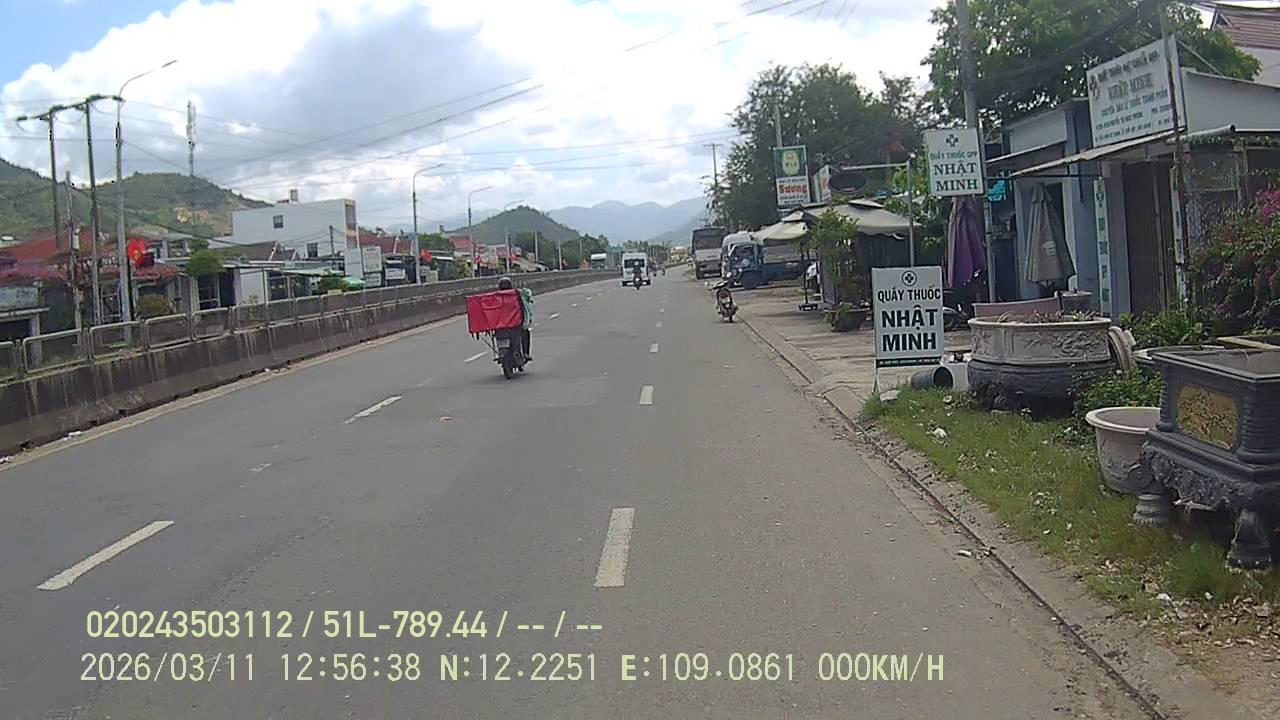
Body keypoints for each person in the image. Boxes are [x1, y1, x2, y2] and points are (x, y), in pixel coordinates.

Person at [497, 276, 532, 360]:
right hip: (514, 324)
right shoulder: (517, 294)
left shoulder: (495, 296)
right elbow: (527, 293)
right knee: (525, 332)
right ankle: (525, 353)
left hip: (500, 325)